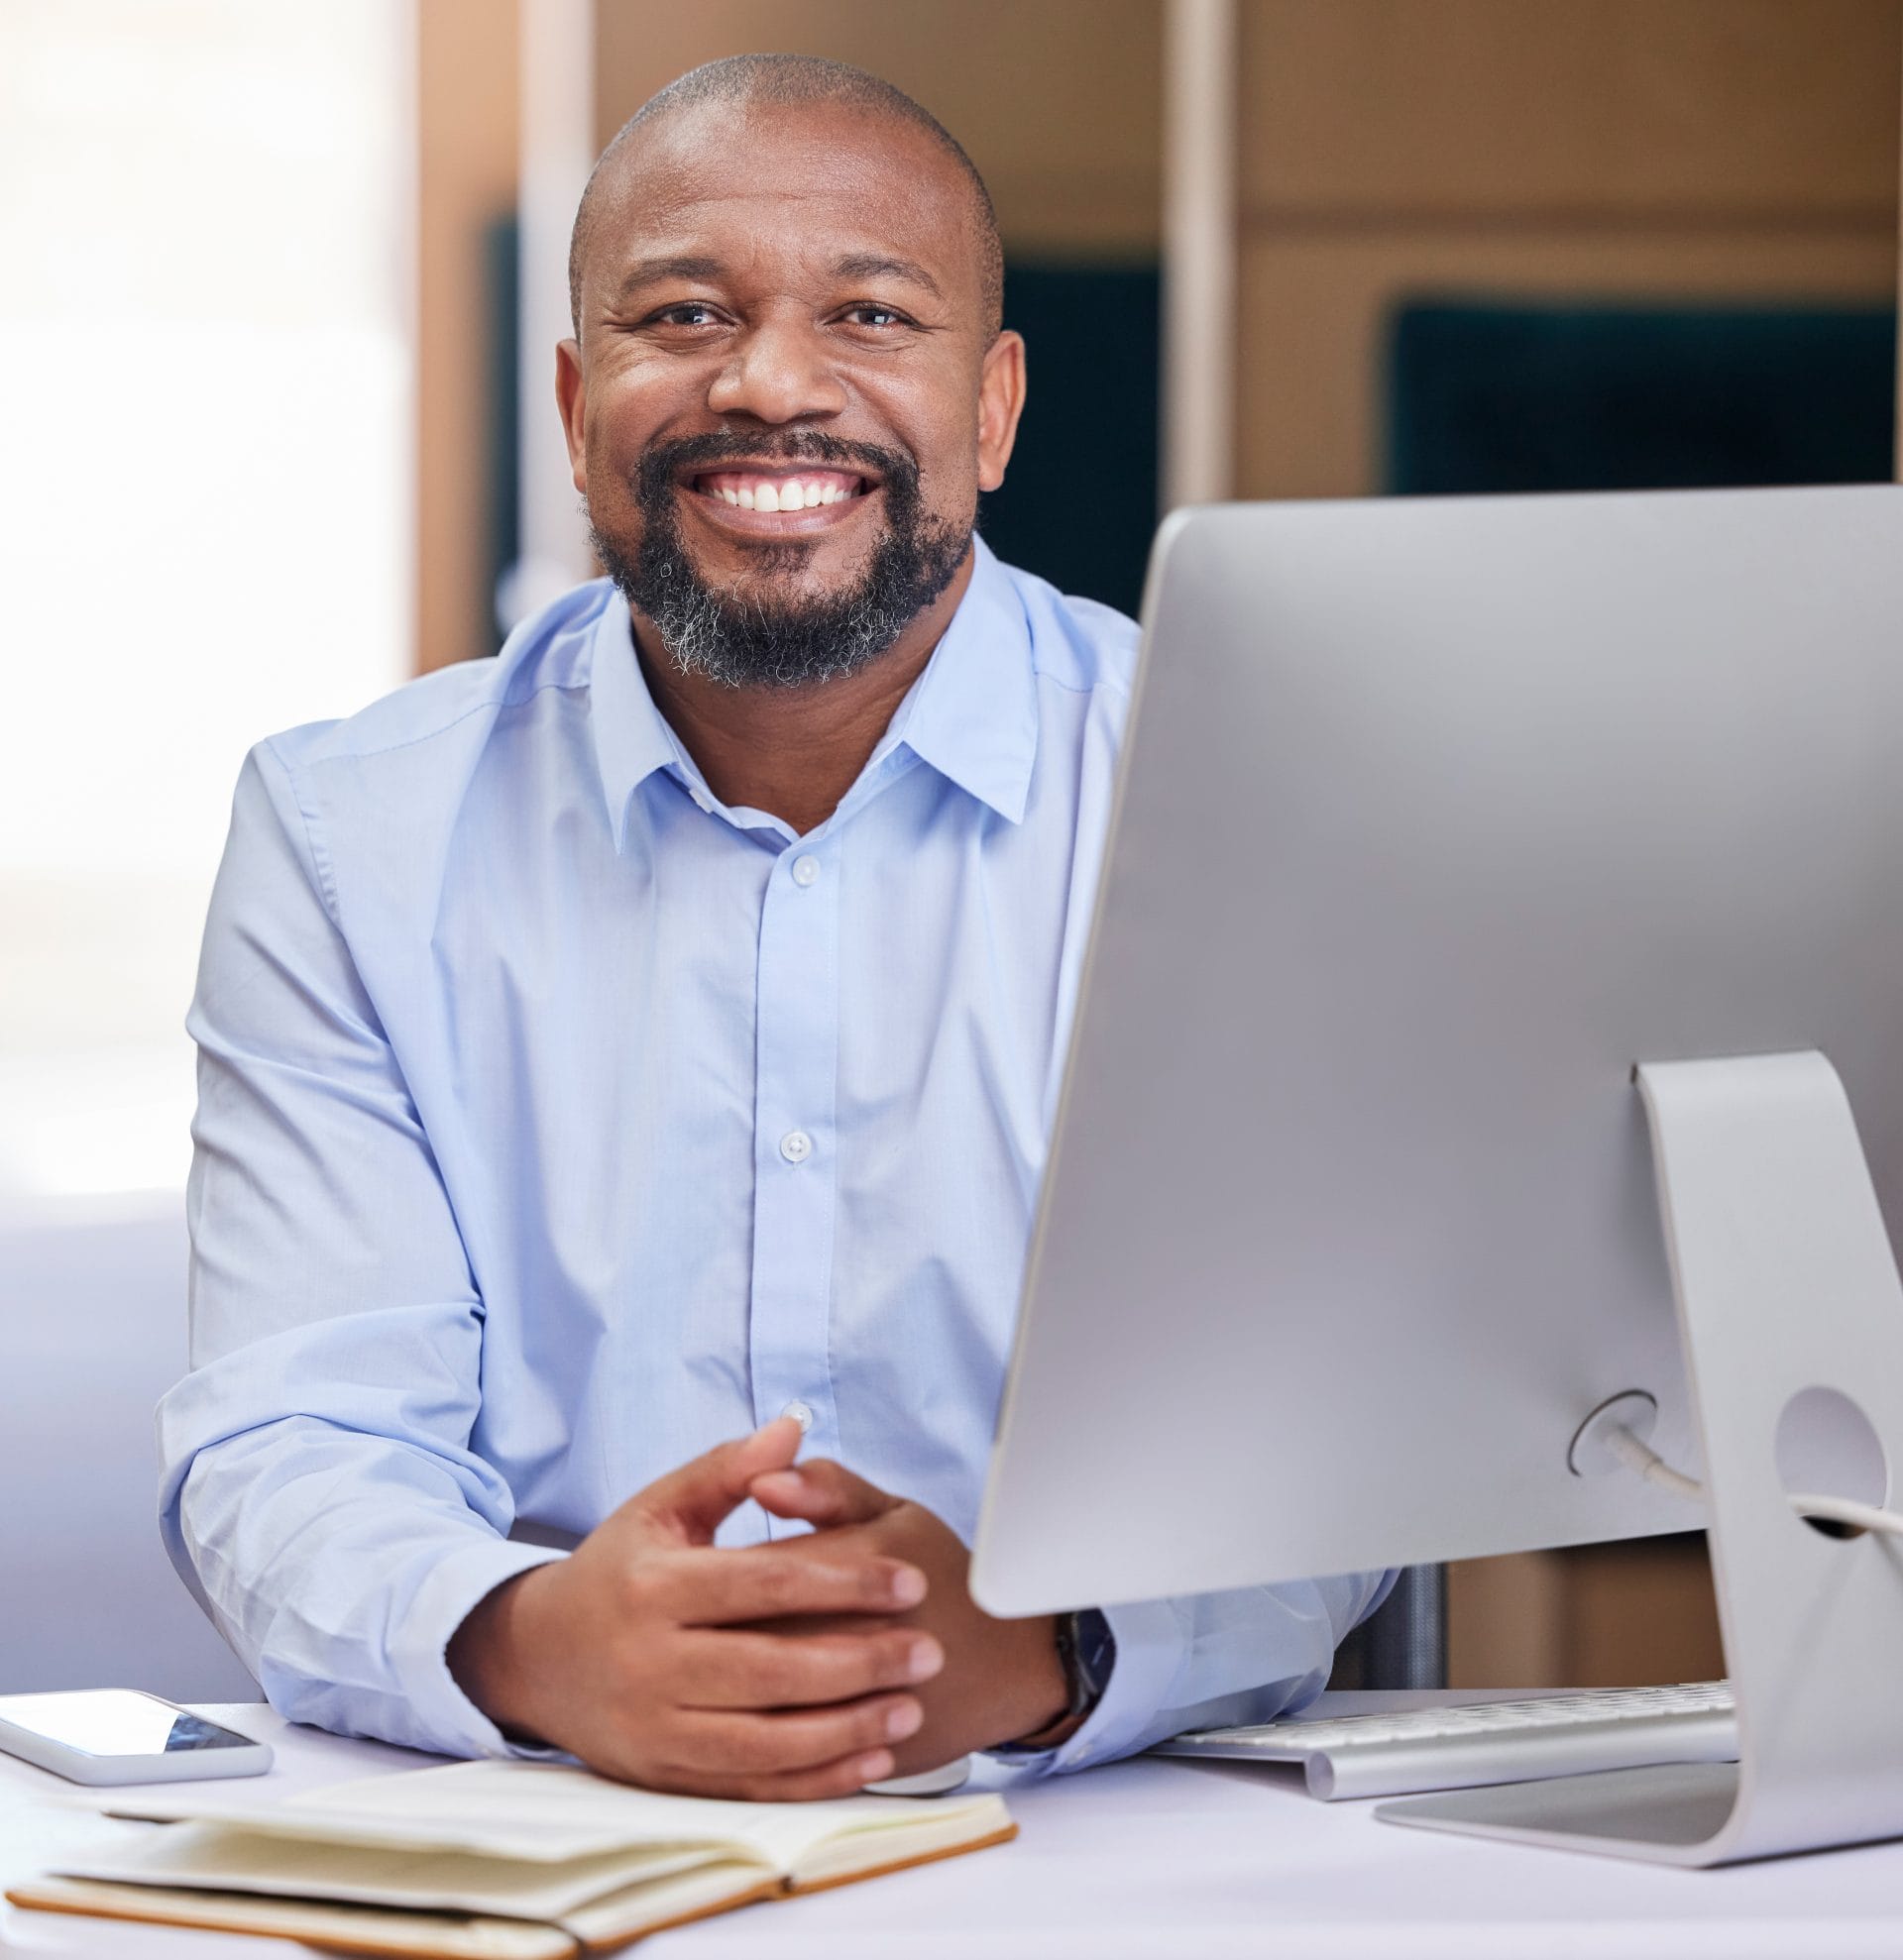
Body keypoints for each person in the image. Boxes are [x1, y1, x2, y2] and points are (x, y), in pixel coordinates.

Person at [162, 54, 1392, 1801]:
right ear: (582, 397)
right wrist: (531, 1636)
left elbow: (1334, 1435)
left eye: (873, 314)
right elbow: (295, 1435)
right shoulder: (348, 833)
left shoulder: (1251, 787)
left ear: (993, 408)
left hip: (1116, 1830)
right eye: (684, 313)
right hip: (549, 1832)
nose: (773, 385)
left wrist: (1035, 1651)